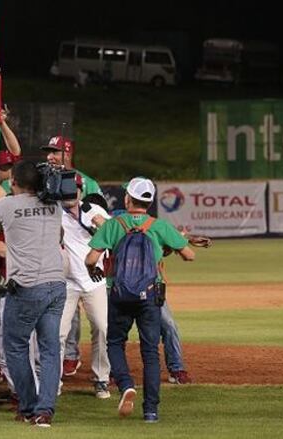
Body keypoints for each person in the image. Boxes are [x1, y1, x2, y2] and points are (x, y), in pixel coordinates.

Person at [85, 177, 195, 423]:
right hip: (150, 295)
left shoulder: (114, 224)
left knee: (114, 343)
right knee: (150, 352)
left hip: (119, 293)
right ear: (150, 201)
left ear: (128, 199)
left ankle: (125, 384)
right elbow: (190, 255)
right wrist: (173, 244)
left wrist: (93, 271)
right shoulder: (159, 226)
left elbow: (92, 259)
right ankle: (151, 412)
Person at [0, 160, 66, 428]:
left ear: (14, 182)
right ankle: (45, 410)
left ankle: (29, 406)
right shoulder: (55, 206)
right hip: (56, 284)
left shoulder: (7, 205)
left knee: (15, 347)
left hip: (27, 286)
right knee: (50, 350)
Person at [40, 135, 100, 375]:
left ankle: (75, 357)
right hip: (51, 250)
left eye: (55, 152)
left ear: (68, 153)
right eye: (49, 152)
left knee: (89, 312)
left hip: (80, 253)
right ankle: (65, 355)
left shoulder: (88, 183)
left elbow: (99, 216)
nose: (50, 156)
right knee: (61, 307)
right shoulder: (43, 178)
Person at [59, 181, 112, 399]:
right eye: (67, 191)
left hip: (94, 281)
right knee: (58, 333)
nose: (71, 194)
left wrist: (102, 227)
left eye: (74, 190)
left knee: (101, 328)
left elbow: (114, 234)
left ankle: (101, 379)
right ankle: (53, 380)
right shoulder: (54, 212)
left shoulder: (94, 210)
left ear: (81, 191)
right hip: (67, 282)